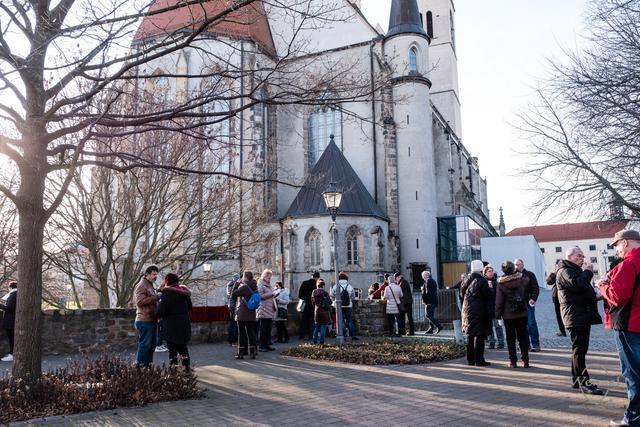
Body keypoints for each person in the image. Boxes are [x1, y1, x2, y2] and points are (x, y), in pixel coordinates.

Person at [597, 230, 640, 426]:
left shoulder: (629, 264)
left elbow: (617, 296)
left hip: (630, 324)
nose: (616, 250)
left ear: (625, 242)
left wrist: (602, 286)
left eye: (617, 245)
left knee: (632, 372)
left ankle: (633, 417)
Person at [556, 246, 604, 395]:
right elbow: (578, 285)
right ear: (570, 257)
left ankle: (576, 380)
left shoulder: (573, 270)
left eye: (583, 256)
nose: (582, 259)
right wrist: (589, 272)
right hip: (575, 316)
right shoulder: (565, 270)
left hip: (580, 314)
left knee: (579, 349)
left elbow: (582, 290)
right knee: (579, 350)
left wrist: (597, 295)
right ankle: (584, 382)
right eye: (579, 256)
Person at [495, 260, 532, 368]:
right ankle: (526, 361)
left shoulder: (501, 283)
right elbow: (527, 281)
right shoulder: (522, 279)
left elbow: (499, 301)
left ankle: (513, 362)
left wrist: (498, 314)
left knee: (510, 339)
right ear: (513, 268)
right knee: (523, 337)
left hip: (508, 315)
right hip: (522, 312)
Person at [156, 273, 192, 370]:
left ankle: (174, 371)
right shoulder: (184, 293)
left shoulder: (166, 294)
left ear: (166, 282)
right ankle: (187, 368)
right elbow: (189, 307)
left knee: (172, 351)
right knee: (183, 348)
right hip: (184, 325)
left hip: (171, 326)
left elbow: (160, 312)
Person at [461, 260, 492, 367]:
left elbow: (462, 294)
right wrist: (491, 288)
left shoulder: (466, 279)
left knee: (470, 335)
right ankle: (479, 360)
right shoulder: (482, 280)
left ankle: (470, 360)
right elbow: (488, 295)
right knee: (479, 336)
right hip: (479, 311)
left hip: (467, 310)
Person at [133, 265, 160, 367]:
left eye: (156, 274)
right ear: (146, 274)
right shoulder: (141, 285)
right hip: (144, 320)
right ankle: (139, 367)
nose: (155, 276)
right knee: (145, 345)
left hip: (151, 319)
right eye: (153, 274)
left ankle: (147, 367)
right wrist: (157, 297)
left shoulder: (149, 285)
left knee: (152, 345)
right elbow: (139, 302)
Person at [515, 258, 541, 352]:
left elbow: (535, 288)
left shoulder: (530, 274)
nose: (516, 266)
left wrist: (533, 299)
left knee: (531, 324)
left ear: (522, 265)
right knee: (521, 326)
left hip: (528, 303)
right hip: (518, 305)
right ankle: (525, 345)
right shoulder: (513, 276)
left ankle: (535, 344)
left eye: (518, 264)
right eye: (515, 265)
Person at [232, 271, 259, 359]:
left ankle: (241, 353)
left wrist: (236, 284)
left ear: (246, 277)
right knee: (251, 332)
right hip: (251, 313)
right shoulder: (255, 285)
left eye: (243, 277)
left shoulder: (244, 287)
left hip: (242, 314)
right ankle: (252, 352)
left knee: (242, 333)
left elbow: (233, 294)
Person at [330, 272, 358, 340]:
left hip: (339, 306)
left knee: (341, 321)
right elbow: (353, 296)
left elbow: (332, 296)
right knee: (349, 320)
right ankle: (353, 335)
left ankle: (343, 336)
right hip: (349, 305)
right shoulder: (349, 286)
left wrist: (335, 300)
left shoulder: (336, 286)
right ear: (346, 278)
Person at [484, 264, 504, 350]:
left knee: (498, 326)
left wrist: (492, 288)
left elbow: (498, 295)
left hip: (496, 308)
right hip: (487, 308)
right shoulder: (483, 282)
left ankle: (501, 342)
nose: (491, 273)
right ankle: (491, 342)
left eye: (492, 271)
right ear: (485, 273)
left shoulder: (496, 282)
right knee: (489, 327)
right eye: (489, 271)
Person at [257, 269, 277, 352]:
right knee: (263, 329)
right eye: (268, 277)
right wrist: (272, 294)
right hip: (263, 309)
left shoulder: (268, 284)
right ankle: (262, 346)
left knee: (268, 329)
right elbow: (260, 296)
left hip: (269, 309)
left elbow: (269, 295)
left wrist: (275, 294)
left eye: (270, 278)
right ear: (264, 276)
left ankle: (267, 345)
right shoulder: (260, 283)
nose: (269, 279)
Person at [548, 260, 566, 337]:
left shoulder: (566, 271)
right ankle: (562, 331)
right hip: (557, 296)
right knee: (558, 314)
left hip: (566, 296)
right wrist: (554, 273)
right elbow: (548, 282)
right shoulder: (555, 273)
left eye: (562, 263)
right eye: (559, 263)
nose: (560, 264)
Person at [298, 272, 319, 340]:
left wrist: (305, 298)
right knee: (312, 321)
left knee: (303, 321)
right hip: (313, 305)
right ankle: (311, 335)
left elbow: (300, 295)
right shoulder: (316, 285)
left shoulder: (304, 283)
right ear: (317, 277)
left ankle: (301, 335)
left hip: (305, 304)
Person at [0, 281, 17, 362]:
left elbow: (9, 308)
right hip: (13, 320)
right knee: (12, 338)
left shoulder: (13, 295)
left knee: (11, 338)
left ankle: (12, 354)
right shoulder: (16, 294)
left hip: (11, 321)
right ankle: (13, 354)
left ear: (10, 287)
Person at [421, 271, 442, 335]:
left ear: (427, 275)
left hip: (430, 302)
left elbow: (428, 293)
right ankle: (431, 329)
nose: (423, 277)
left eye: (423, 276)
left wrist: (428, 302)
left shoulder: (429, 281)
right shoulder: (432, 281)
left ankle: (439, 326)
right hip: (432, 301)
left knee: (428, 315)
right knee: (431, 315)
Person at [311, 279, 331, 344]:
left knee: (316, 326)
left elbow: (313, 302)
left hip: (316, 311)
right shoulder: (325, 293)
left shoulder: (314, 292)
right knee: (323, 326)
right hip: (324, 311)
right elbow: (330, 302)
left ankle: (314, 340)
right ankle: (321, 341)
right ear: (323, 286)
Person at [226, 273, 241, 346]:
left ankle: (230, 340)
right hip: (234, 306)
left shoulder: (229, 285)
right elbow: (234, 296)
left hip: (230, 305)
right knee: (235, 323)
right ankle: (234, 340)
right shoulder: (234, 286)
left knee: (232, 323)